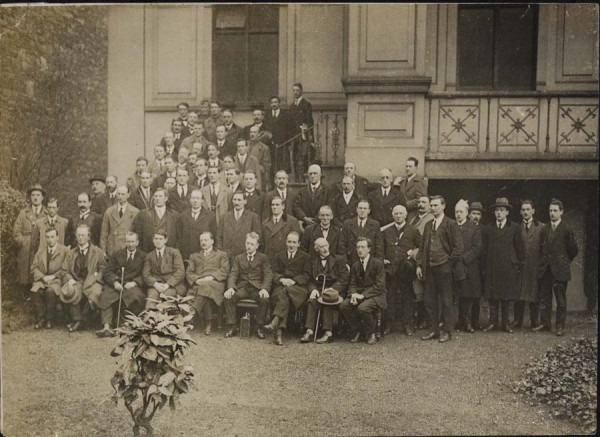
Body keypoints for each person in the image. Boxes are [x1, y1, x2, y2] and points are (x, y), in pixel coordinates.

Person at [416, 195, 463, 343]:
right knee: (429, 300)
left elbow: (458, 248)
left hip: (444, 268)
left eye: (436, 205)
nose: (433, 208)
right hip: (429, 268)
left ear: (443, 206)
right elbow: (422, 247)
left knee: (446, 301)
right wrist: (419, 264)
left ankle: (447, 331)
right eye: (432, 205)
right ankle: (434, 330)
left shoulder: (451, 224)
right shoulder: (429, 225)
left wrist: (448, 263)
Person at [535, 199, 578, 336]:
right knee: (545, 298)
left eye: (555, 211)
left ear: (561, 212)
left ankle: (560, 326)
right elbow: (541, 249)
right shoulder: (545, 228)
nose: (552, 213)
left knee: (560, 300)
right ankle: (545, 324)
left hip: (560, 270)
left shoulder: (567, 229)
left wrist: (563, 261)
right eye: (550, 211)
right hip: (546, 269)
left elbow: (573, 250)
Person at [481, 198, 525, 333]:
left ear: (507, 212)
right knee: (493, 296)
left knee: (506, 297)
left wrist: (517, 265)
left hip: (508, 267)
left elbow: (520, 249)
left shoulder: (515, 228)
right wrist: (484, 267)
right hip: (492, 266)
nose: (499, 213)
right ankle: (492, 322)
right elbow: (484, 250)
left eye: (502, 210)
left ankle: (506, 323)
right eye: (497, 211)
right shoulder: (488, 229)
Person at [96, 231, 147, 337]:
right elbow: (107, 271)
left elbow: (145, 274)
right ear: (125, 242)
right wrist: (114, 282)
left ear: (137, 242)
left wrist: (135, 282)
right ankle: (106, 326)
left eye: (133, 241)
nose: (130, 244)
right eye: (128, 241)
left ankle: (129, 324)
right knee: (106, 296)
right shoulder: (117, 254)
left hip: (132, 284)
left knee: (137, 297)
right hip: (118, 283)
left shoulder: (143, 256)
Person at [223, 232, 273, 338]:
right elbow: (233, 273)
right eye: (247, 243)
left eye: (252, 244)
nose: (249, 246)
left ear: (257, 246)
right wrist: (231, 287)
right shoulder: (238, 258)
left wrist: (264, 289)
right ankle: (232, 326)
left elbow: (268, 274)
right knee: (228, 297)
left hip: (257, 289)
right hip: (243, 288)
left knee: (264, 299)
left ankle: (259, 327)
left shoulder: (263, 258)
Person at [263, 231, 309, 346]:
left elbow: (307, 275)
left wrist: (294, 281)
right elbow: (274, 272)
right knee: (281, 295)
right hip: (283, 285)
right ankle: (278, 331)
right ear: (285, 242)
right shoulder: (279, 255)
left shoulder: (305, 257)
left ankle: (276, 326)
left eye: (294, 242)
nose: (291, 245)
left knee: (284, 293)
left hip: (298, 289)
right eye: (289, 242)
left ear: (298, 244)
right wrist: (282, 280)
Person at [300, 238, 349, 344]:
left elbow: (344, 279)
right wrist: (313, 289)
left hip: (335, 290)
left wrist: (333, 289)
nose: (325, 249)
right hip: (318, 288)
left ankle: (328, 333)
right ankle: (309, 331)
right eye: (321, 247)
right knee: (312, 300)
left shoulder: (339, 259)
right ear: (316, 249)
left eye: (326, 245)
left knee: (328, 300)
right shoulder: (312, 260)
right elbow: (309, 279)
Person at [340, 237, 387, 345]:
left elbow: (379, 286)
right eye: (358, 247)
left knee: (363, 308)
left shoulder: (377, 263)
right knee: (344, 305)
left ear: (369, 249)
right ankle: (357, 330)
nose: (360, 250)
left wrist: (363, 296)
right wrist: (353, 295)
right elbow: (352, 283)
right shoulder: (356, 265)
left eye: (363, 247)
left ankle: (371, 333)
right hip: (360, 294)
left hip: (376, 295)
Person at [59, 224, 106, 332]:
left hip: (93, 281)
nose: (80, 238)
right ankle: (77, 319)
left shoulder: (97, 252)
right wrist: (70, 279)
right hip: (77, 280)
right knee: (71, 291)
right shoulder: (71, 253)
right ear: (76, 236)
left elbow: (104, 269)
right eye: (78, 235)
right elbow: (64, 270)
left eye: (83, 235)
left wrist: (96, 277)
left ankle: (81, 321)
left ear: (88, 236)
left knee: (96, 293)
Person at [382, 205, 420, 335]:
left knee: (407, 297)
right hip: (390, 270)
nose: (398, 216)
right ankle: (389, 324)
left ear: (405, 215)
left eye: (401, 213)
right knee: (390, 297)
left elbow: (420, 248)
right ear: (393, 215)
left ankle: (407, 324)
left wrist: (412, 253)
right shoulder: (386, 231)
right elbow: (380, 248)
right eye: (396, 213)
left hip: (405, 271)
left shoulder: (413, 231)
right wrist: (382, 259)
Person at [186, 232, 230, 335]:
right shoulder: (194, 256)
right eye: (201, 240)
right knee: (204, 289)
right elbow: (189, 272)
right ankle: (208, 323)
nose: (203, 242)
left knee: (205, 287)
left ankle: (192, 313)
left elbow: (225, 270)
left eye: (206, 240)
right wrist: (196, 280)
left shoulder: (221, 254)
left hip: (215, 284)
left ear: (212, 241)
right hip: (199, 284)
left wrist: (211, 277)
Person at [30, 227, 69, 329]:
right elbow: (34, 268)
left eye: (52, 237)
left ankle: (49, 319)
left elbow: (66, 269)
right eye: (47, 237)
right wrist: (43, 277)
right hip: (42, 280)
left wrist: (54, 276)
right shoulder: (41, 251)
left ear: (57, 237)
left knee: (50, 291)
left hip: (56, 280)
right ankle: (41, 318)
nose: (50, 239)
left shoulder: (64, 251)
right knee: (35, 291)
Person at [513, 199, 544, 330]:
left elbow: (544, 249)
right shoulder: (515, 227)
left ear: (533, 211)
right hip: (520, 266)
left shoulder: (541, 227)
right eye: (523, 210)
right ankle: (517, 321)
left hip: (534, 266)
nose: (525, 212)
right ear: (520, 212)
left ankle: (534, 321)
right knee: (518, 294)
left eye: (528, 209)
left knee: (534, 293)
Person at [453, 200, 482, 333]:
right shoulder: (451, 226)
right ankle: (460, 321)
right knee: (458, 294)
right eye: (457, 212)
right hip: (454, 265)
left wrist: (464, 258)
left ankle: (468, 322)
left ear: (466, 213)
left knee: (469, 295)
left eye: (461, 212)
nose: (458, 215)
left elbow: (477, 248)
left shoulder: (474, 228)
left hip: (469, 265)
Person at [142, 230, 186, 309]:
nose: (158, 241)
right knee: (151, 299)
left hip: (172, 285)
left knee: (166, 299)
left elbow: (180, 271)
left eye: (161, 239)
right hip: (156, 285)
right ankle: (150, 319)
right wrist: (155, 284)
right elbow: (146, 274)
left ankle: (168, 320)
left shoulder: (174, 252)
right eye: (156, 239)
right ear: (153, 240)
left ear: (165, 240)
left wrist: (168, 284)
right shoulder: (149, 256)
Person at [410, 195, 435, 329]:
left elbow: (425, 243)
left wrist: (413, 253)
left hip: (424, 258)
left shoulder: (430, 219)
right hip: (415, 258)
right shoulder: (414, 218)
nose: (421, 204)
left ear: (430, 205)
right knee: (417, 289)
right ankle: (419, 319)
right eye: (419, 202)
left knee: (426, 290)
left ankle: (427, 320)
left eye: (424, 202)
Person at [132, 188, 179, 253]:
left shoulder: (174, 215)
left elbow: (178, 237)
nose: (157, 198)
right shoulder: (144, 214)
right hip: (148, 252)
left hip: (168, 253)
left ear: (166, 198)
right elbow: (138, 235)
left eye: (160, 196)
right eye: (155, 196)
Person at [339, 199, 384, 267]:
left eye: (365, 208)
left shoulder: (375, 225)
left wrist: (376, 264)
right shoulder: (347, 224)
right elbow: (342, 245)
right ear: (356, 209)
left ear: (369, 211)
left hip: (370, 263)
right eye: (360, 208)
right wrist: (345, 263)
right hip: (351, 262)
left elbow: (379, 247)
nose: (362, 210)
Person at [217, 191, 262, 258]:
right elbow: (219, 237)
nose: (236, 202)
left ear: (245, 201)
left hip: (244, 256)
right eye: (234, 200)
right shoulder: (224, 217)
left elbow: (258, 238)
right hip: (227, 256)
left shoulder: (253, 217)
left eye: (239, 200)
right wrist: (222, 253)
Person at [176, 189, 216, 262]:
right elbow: (179, 236)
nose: (195, 201)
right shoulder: (183, 216)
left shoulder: (210, 216)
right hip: (186, 255)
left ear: (202, 200)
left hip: (203, 255)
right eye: (193, 198)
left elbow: (214, 236)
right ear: (190, 200)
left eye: (197, 198)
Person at [100, 185, 139, 256]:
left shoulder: (135, 212)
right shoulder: (109, 211)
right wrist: (103, 251)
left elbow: (137, 233)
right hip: (112, 248)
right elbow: (104, 233)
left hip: (127, 248)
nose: (120, 196)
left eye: (123, 194)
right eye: (119, 194)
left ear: (128, 195)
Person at [261, 196, 301, 262]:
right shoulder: (265, 223)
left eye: (277, 205)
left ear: (283, 206)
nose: (274, 207)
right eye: (272, 205)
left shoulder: (292, 221)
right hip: (269, 259)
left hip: (284, 260)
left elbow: (296, 244)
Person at [288, 83, 314, 179]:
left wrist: (309, 134)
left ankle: (303, 178)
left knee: (303, 157)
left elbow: (309, 121)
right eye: (293, 90)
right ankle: (297, 178)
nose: (295, 92)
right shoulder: (291, 106)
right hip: (294, 136)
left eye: (297, 90)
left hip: (303, 136)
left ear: (301, 91)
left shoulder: (306, 105)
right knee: (295, 157)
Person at [467, 201, 484, 329]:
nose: (476, 216)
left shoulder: (484, 229)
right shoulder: (465, 227)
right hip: (468, 264)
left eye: (478, 214)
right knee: (466, 294)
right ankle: (465, 321)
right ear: (469, 215)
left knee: (477, 294)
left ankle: (476, 321)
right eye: (473, 213)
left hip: (480, 265)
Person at [264, 95, 292, 174]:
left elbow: (289, 129)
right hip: (270, 144)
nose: (274, 104)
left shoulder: (285, 114)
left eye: (275, 102)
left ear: (279, 103)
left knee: (282, 165)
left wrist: (288, 142)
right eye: (272, 102)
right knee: (272, 165)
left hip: (283, 144)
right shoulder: (267, 114)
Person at [394, 157, 428, 221]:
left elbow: (421, 199)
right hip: (402, 215)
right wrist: (395, 185)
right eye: (406, 166)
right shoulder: (403, 181)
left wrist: (404, 205)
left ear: (415, 168)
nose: (407, 168)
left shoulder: (420, 181)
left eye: (410, 166)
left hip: (413, 214)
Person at [248, 125, 272, 192]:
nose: (252, 134)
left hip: (258, 175)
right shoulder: (245, 145)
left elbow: (267, 165)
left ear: (259, 134)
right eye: (251, 132)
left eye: (254, 132)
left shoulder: (264, 148)